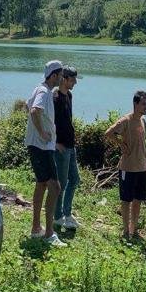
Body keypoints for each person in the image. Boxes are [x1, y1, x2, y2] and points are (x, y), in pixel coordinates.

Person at [24, 60, 67, 246]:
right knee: (55, 187)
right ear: (54, 75)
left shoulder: (41, 89)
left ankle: (36, 228)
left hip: (41, 146)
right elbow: (34, 111)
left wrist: (48, 135)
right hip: (41, 147)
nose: (63, 78)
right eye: (61, 74)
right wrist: (42, 133)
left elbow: (28, 105)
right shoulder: (43, 91)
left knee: (42, 184)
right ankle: (49, 233)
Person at [105, 91, 146, 242]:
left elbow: (144, 144)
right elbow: (109, 133)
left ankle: (134, 229)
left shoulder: (143, 121)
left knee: (138, 199)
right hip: (127, 168)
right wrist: (120, 144)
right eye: (143, 104)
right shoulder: (126, 120)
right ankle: (125, 230)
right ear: (135, 104)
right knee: (126, 200)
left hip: (141, 168)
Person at [53, 66, 81, 230]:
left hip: (71, 145)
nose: (75, 82)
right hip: (61, 147)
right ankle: (57, 217)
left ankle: (67, 213)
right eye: (73, 79)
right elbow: (49, 121)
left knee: (75, 179)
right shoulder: (55, 98)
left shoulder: (69, 95)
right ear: (64, 79)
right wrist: (55, 143)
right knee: (61, 183)